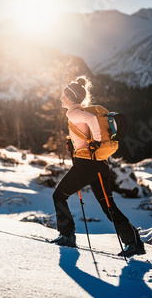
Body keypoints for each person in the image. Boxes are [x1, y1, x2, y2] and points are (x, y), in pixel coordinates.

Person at [50, 76, 146, 257]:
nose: (61, 98)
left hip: (86, 166)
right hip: (98, 165)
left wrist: (96, 141)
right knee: (109, 207)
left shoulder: (73, 112)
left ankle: (67, 235)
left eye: (64, 95)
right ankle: (134, 243)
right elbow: (86, 128)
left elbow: (92, 119)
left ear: (71, 97)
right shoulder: (77, 112)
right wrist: (74, 143)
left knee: (59, 196)